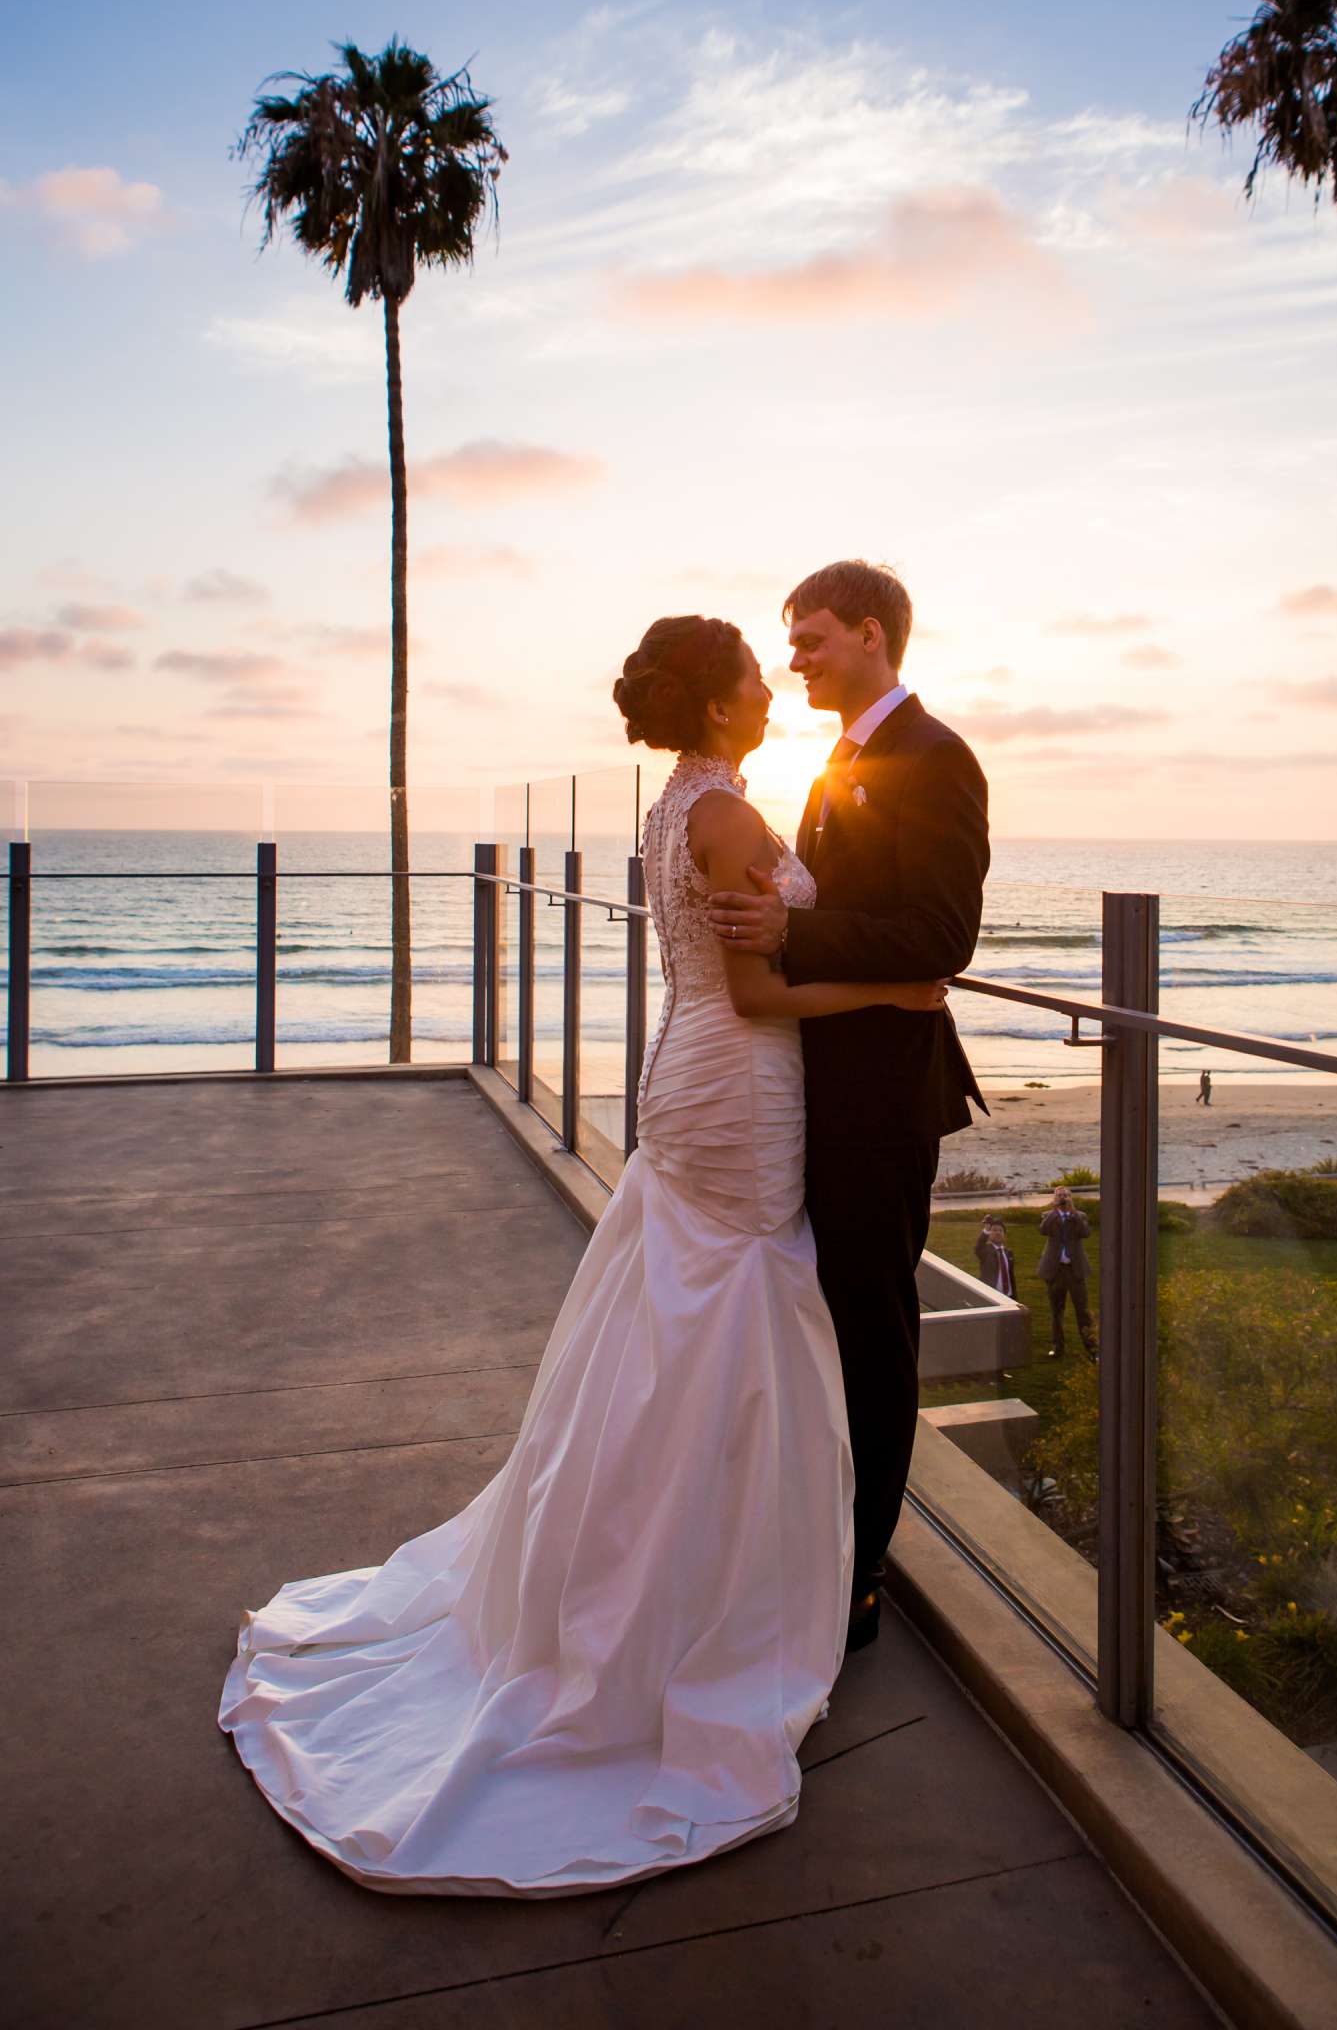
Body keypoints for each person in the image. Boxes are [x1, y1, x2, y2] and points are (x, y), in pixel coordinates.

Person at [219, 614, 948, 1898]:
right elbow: (761, 996)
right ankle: (692, 1610)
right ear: (719, 707)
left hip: (697, 1083)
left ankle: (653, 1582)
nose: (770, 692)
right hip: (738, 1088)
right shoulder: (725, 818)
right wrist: (897, 994)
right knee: (730, 1333)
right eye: (752, 677)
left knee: (680, 1332)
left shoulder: (678, 803)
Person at [709, 560, 990, 1653]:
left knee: (872, 1332)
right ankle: (815, 1535)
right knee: (820, 1324)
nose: (796, 661)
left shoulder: (935, 757)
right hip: (821, 1085)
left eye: (813, 639)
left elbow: (940, 938)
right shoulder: (842, 758)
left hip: (882, 1096)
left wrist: (794, 937)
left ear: (871, 636)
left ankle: (861, 1574)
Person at [1038, 1184, 1097, 1362]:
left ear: (1071, 1197)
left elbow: (1085, 1233)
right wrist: (1056, 1210)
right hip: (1055, 1271)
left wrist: (1072, 1213)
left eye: (1065, 1195)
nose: (1062, 1198)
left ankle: (1092, 1349)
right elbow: (1043, 1230)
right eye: (1059, 1195)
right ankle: (1057, 1347)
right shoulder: (1048, 1216)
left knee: (1083, 1311)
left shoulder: (1080, 1216)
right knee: (1056, 1311)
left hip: (1075, 1270)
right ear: (1054, 1198)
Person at [975, 1211, 1016, 1298]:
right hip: (993, 1295)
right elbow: (979, 1246)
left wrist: (1014, 1296)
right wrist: (986, 1230)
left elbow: (1011, 1277)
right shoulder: (985, 1251)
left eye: (1000, 1230)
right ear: (989, 1234)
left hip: (1009, 1295)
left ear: (1004, 1235)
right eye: (994, 1230)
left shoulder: (1008, 1253)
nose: (997, 1233)